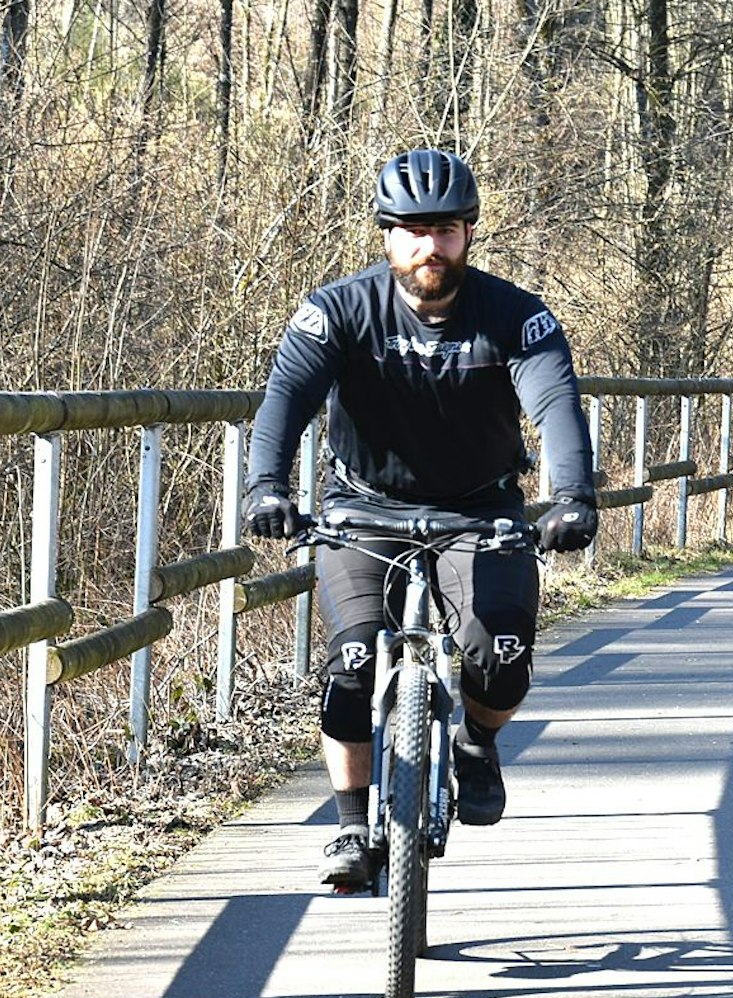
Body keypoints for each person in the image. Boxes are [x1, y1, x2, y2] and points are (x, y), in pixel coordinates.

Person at [243, 147, 598, 890]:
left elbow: (556, 409)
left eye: (443, 229)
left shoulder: (516, 318)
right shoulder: (337, 310)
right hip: (362, 509)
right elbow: (285, 403)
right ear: (385, 235)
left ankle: (474, 742)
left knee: (499, 657)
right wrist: (266, 488)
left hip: (480, 510)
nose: (427, 246)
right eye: (410, 230)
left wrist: (573, 497)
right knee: (352, 662)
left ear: (467, 232)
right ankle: (348, 827)